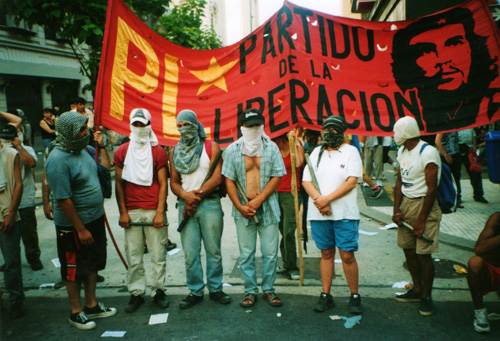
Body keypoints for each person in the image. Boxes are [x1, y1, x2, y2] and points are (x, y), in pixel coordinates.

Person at [45, 112, 116, 330]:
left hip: (94, 220)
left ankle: (92, 305)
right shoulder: (57, 159)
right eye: (82, 130)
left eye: (86, 128)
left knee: (93, 263)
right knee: (74, 268)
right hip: (73, 226)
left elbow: (105, 166)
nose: (85, 133)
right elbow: (63, 200)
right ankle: (76, 312)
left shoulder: (84, 149)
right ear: (69, 132)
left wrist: (101, 145)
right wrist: (81, 229)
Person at [391, 8, 499, 132]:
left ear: (474, 48)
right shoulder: (410, 118)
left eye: (454, 44)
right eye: (427, 51)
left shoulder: (493, 103)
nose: (442, 59)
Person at [222, 108, 286, 308]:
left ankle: (268, 289)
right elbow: (229, 180)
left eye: (257, 125)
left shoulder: (271, 148)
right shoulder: (232, 150)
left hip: (268, 208)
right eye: (250, 126)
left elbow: (277, 175)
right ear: (242, 127)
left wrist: (259, 200)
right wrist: (240, 206)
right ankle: (250, 290)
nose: (254, 129)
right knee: (246, 253)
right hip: (243, 211)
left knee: (270, 253)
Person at [302, 115, 363, 315]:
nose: (329, 134)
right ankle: (326, 295)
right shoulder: (317, 152)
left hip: (344, 213)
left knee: (347, 255)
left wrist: (327, 199)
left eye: (334, 130)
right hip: (320, 214)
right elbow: (306, 180)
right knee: (326, 253)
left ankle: (354, 295)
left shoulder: (351, 151)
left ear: (342, 132)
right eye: (326, 129)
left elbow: (351, 181)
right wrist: (319, 200)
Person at [169, 109, 230, 309]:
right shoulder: (174, 151)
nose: (183, 128)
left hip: (210, 203)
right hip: (185, 206)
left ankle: (215, 289)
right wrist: (186, 196)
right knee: (190, 253)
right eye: (179, 125)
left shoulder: (210, 146)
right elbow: (175, 183)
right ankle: (195, 291)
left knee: (213, 250)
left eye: (187, 124)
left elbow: (217, 178)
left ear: (196, 124)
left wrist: (197, 195)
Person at [114, 108, 169, 313]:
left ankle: (159, 291)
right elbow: (119, 184)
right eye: (135, 124)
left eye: (142, 125)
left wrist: (159, 212)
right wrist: (123, 212)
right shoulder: (121, 151)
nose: (138, 128)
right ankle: (136, 293)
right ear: (130, 125)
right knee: (134, 256)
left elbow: (163, 183)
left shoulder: (158, 151)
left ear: (149, 125)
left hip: (153, 209)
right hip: (132, 211)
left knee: (158, 254)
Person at [392, 116, 442, 317]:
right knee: (409, 250)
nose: (394, 135)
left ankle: (427, 296)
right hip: (407, 205)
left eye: (397, 131)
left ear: (405, 133)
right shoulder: (402, 150)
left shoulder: (428, 152)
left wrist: (421, 219)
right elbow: (399, 182)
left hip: (425, 206)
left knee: (424, 254)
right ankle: (417, 289)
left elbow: (432, 189)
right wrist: (396, 210)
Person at [0, 111, 24, 318]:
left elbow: (18, 184)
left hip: (7, 214)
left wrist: (11, 213)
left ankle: (16, 300)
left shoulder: (10, 154)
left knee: (12, 262)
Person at [272, 130, 304, 281]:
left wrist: (295, 142)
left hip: (291, 193)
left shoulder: (296, 146)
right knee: (283, 231)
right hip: (275, 192)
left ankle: (293, 267)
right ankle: (286, 262)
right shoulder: (274, 150)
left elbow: (299, 163)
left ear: (281, 138)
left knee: (289, 231)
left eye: (275, 138)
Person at [12, 123, 42, 271]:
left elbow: (31, 163)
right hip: (6, 201)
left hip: (25, 199)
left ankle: (34, 257)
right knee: (9, 235)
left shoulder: (27, 149)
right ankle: (11, 259)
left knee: (29, 232)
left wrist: (19, 147)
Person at [466, 212, 500, 333]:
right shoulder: (496, 218)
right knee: (475, 262)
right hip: (492, 270)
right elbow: (478, 249)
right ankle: (479, 311)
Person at [458, 128, 488, 204]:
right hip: (457, 151)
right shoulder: (455, 127)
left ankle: (478, 195)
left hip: (469, 151)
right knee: (456, 175)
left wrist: (474, 146)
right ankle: (457, 197)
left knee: (475, 173)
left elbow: (473, 136)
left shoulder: (470, 127)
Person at [435, 132, 463, 208]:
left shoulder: (455, 128)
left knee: (456, 179)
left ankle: (457, 200)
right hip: (445, 156)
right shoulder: (444, 127)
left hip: (456, 154)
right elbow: (437, 141)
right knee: (445, 178)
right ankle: (446, 199)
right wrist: (445, 155)